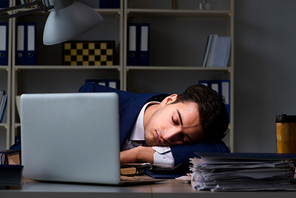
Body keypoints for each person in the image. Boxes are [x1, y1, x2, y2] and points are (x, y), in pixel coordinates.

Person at [78, 82, 230, 167]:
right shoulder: (94, 96)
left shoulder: (195, 130)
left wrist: (138, 154)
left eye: (184, 138)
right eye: (175, 120)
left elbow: (220, 152)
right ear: (168, 100)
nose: (169, 136)